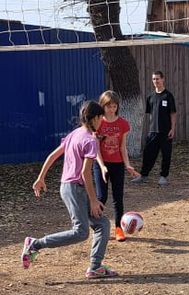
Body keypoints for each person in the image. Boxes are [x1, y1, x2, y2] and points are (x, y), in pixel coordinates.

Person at [21, 100, 117, 279]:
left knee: (102, 224)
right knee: (81, 232)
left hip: (67, 187)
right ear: (95, 118)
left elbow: (53, 155)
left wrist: (41, 177)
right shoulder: (90, 140)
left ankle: (95, 267)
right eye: (101, 118)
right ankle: (35, 244)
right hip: (75, 189)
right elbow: (85, 173)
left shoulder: (74, 134)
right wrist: (94, 200)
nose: (102, 122)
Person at [94, 90, 140, 242]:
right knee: (101, 196)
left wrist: (127, 165)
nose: (111, 109)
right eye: (108, 106)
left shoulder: (123, 124)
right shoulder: (98, 123)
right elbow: (96, 148)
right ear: (103, 106)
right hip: (101, 164)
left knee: (118, 197)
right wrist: (101, 166)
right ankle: (96, 226)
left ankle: (119, 229)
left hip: (118, 165)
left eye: (114, 106)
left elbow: (122, 148)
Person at [131, 71, 177, 186]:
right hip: (152, 131)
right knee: (148, 154)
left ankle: (163, 177)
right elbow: (150, 114)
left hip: (165, 132)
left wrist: (172, 128)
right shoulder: (150, 97)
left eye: (158, 79)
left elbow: (173, 113)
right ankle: (143, 175)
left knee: (166, 154)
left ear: (163, 79)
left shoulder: (168, 96)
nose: (156, 81)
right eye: (154, 79)